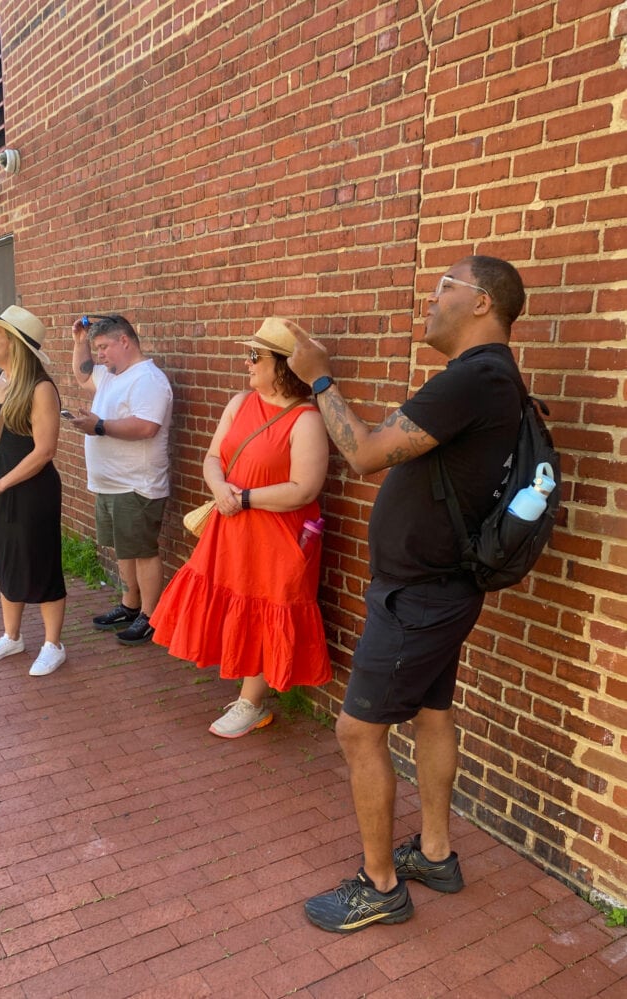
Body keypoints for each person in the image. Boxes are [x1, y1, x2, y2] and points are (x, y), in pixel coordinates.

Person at [288, 256, 527, 932]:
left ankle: (381, 886)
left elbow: (362, 452)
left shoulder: (475, 378)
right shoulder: (490, 380)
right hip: (439, 587)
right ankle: (435, 852)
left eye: (443, 286)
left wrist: (319, 377)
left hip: (418, 596)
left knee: (358, 730)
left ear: (481, 302)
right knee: (431, 715)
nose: (432, 297)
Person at [150, 317, 332, 738]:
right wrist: (220, 488)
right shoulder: (240, 403)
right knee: (240, 603)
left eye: (255, 356)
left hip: (277, 535)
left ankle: (252, 702)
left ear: (283, 366)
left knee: (266, 606)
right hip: (232, 526)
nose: (246, 364)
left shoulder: (306, 420)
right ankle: (246, 693)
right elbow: (214, 457)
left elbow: (304, 489)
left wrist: (243, 497)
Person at [0, 305, 67, 677]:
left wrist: (0, 483)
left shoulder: (41, 389)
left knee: (40, 560)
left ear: (16, 344)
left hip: (33, 491)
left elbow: (45, 450)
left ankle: (53, 644)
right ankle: (12, 637)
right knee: (5, 559)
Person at [70, 314, 173, 646]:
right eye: (96, 348)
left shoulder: (149, 380)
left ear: (124, 341)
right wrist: (79, 341)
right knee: (124, 550)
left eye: (103, 347)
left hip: (136, 484)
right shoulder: (111, 375)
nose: (99, 355)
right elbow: (81, 373)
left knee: (142, 551)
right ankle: (130, 606)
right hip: (110, 484)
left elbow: (146, 427)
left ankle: (150, 616)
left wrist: (100, 426)